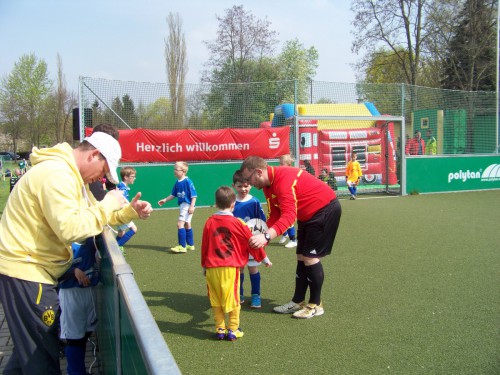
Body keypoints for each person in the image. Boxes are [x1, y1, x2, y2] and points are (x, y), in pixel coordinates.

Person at [0, 131, 153, 374]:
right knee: (42, 362)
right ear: (94, 155)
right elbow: (71, 229)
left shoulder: (69, 176)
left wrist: (128, 212)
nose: (101, 178)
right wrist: (108, 203)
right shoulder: (58, 175)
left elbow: (94, 216)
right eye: (104, 171)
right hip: (28, 274)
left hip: (29, 272)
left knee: (27, 357)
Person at [240, 156, 341, 319]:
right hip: (307, 214)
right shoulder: (267, 185)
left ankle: (316, 305)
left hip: (325, 209)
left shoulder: (283, 180)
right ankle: (298, 301)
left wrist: (266, 236)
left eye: (248, 178)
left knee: (310, 257)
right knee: (301, 256)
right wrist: (262, 236)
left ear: (258, 172)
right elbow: (275, 214)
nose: (248, 183)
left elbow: (288, 216)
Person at [201, 186, 272, 341]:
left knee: (216, 299)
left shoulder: (209, 222)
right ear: (233, 205)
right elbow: (251, 242)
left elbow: (205, 246)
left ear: (216, 203)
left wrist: (204, 266)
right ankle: (233, 329)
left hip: (212, 268)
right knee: (234, 299)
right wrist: (264, 259)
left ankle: (220, 328)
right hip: (230, 268)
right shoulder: (238, 223)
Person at [232, 170, 267, 308]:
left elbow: (262, 222)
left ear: (251, 185)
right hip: (237, 243)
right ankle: (239, 294)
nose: (243, 189)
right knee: (239, 269)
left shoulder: (254, 202)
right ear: (234, 185)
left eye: (246, 186)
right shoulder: (232, 201)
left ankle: (256, 295)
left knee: (253, 268)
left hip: (252, 242)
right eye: (240, 186)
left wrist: (261, 239)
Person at [158, 161, 197, 253]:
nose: (174, 171)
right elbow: (173, 194)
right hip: (183, 205)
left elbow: (194, 195)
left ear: (183, 171)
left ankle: (182, 246)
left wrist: (191, 206)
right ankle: (190, 245)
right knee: (187, 224)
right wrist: (165, 200)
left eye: (176, 169)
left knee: (180, 224)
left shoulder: (188, 181)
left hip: (187, 205)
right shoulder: (177, 182)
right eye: (174, 169)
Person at [115, 166, 138, 253]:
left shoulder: (121, 186)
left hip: (119, 213)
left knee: (121, 232)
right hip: (122, 214)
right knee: (134, 229)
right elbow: (122, 199)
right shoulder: (123, 188)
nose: (134, 178)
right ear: (126, 177)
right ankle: (118, 246)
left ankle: (115, 247)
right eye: (132, 177)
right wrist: (130, 205)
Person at [277, 154, 298, 248]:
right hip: (281, 198)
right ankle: (285, 234)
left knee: (288, 219)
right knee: (279, 217)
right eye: (279, 163)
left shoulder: (292, 172)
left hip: (290, 199)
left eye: (282, 164)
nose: (280, 166)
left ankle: (293, 239)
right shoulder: (281, 172)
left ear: (288, 164)